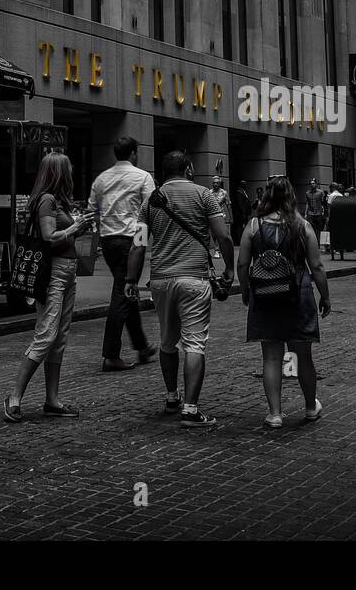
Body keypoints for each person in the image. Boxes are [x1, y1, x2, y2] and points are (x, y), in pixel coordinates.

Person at [125, 152, 234, 429]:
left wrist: (129, 280)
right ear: (187, 169)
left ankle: (172, 396)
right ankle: (191, 408)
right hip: (194, 280)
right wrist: (230, 271)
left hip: (161, 280)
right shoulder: (204, 195)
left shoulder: (151, 200)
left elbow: (138, 243)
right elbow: (223, 235)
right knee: (194, 343)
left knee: (166, 341)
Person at [4, 154, 96, 421]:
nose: (72, 172)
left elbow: (61, 236)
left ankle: (52, 399)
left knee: (59, 338)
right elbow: (49, 238)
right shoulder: (47, 200)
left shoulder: (58, 201)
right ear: (58, 172)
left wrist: (78, 227)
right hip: (54, 272)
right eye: (68, 169)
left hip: (67, 272)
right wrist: (75, 227)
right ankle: (14, 397)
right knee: (46, 334)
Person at [236, 176, 332, 428]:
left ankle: (275, 413)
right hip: (297, 294)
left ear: (266, 196)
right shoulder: (302, 225)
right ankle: (311, 406)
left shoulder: (253, 226)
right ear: (291, 196)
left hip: (264, 294)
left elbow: (243, 263)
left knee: (271, 356)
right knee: (303, 356)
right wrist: (325, 296)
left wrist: (245, 290)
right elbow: (317, 266)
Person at [89, 136, 158, 373]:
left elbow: (92, 210)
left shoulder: (101, 179)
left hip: (109, 240)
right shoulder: (142, 177)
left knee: (127, 289)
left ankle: (142, 347)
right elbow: (152, 208)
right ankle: (111, 354)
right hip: (134, 237)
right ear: (134, 154)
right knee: (123, 290)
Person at [210, 175, 232, 257]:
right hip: (212, 215)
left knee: (221, 233)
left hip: (221, 215)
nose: (215, 184)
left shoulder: (224, 193)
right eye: (214, 183)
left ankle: (220, 249)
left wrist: (231, 217)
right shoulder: (209, 192)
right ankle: (216, 248)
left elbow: (228, 205)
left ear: (220, 184)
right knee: (214, 234)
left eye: (217, 183)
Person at [304, 177, 327, 242]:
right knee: (311, 229)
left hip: (319, 213)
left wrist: (324, 212)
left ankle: (318, 242)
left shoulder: (320, 192)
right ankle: (313, 242)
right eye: (311, 183)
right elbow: (307, 203)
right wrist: (306, 213)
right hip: (310, 213)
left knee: (319, 229)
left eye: (313, 183)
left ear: (316, 184)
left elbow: (323, 203)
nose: (312, 185)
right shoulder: (307, 193)